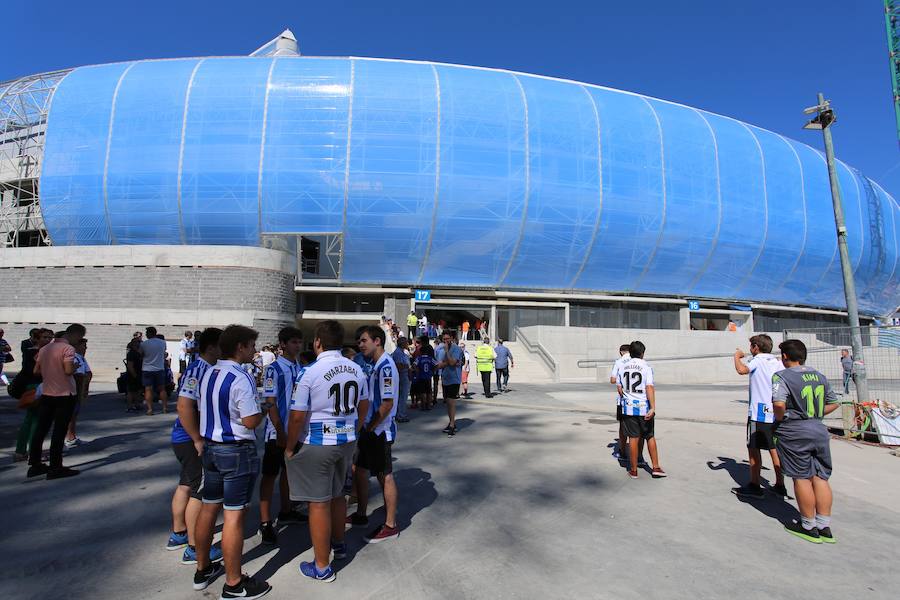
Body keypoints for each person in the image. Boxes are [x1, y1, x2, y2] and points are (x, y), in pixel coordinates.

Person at [285, 320, 369, 582]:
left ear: (318, 342)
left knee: (318, 503)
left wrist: (289, 446)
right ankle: (339, 544)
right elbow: (364, 404)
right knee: (337, 495)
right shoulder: (357, 369)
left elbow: (297, 416)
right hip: (346, 440)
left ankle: (321, 566)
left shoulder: (309, 371)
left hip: (318, 441)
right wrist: (355, 428)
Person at [192, 325, 271, 598]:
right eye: (251, 346)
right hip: (236, 450)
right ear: (240, 347)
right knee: (235, 516)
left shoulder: (207, 372)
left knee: (208, 507)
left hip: (212, 448)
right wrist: (263, 410)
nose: (254, 351)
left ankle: (202, 568)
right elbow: (249, 420)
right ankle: (234, 583)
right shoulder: (241, 376)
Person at [772, 339, 840, 544]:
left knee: (801, 477)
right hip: (818, 429)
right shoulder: (819, 375)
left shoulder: (782, 376)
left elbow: (779, 403)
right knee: (820, 476)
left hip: (795, 430)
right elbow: (834, 403)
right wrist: (815, 414)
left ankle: (807, 525)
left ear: (785, 356)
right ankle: (824, 525)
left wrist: (781, 417)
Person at [169, 327, 224, 565]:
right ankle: (194, 547)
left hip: (185, 439)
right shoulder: (200, 370)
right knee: (198, 494)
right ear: (212, 347)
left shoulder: (201, 368)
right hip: (191, 439)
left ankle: (179, 532)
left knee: (186, 484)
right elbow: (184, 407)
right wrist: (198, 439)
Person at [348, 325, 400, 544]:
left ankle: (390, 525)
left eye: (364, 341)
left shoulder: (386, 366)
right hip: (368, 429)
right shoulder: (373, 363)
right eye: (359, 341)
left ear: (377, 341)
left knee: (384, 475)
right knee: (360, 470)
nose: (360, 345)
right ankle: (361, 514)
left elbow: (387, 404)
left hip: (379, 430)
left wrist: (370, 427)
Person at [258, 327, 306, 546]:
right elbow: (270, 403)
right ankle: (266, 521)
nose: (298, 346)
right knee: (270, 475)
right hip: (278, 433)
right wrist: (279, 431)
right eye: (294, 342)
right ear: (283, 344)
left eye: (299, 342)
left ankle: (286, 510)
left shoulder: (299, 367)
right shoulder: (273, 370)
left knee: (289, 473)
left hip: (295, 432)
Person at [27, 324, 86, 479]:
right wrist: (74, 366)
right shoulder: (68, 349)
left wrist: (51, 371)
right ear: (74, 335)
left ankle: (35, 464)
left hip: (47, 393)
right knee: (59, 431)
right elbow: (68, 371)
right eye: (79, 338)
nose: (78, 342)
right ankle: (55, 467)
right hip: (64, 394)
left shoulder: (45, 348)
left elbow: (36, 371)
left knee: (41, 429)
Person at [731, 335, 786, 498]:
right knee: (773, 448)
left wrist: (736, 357)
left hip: (758, 413)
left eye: (751, 346)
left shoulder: (758, 359)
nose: (749, 349)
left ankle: (755, 485)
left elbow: (742, 370)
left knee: (753, 449)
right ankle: (780, 484)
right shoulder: (777, 362)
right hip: (775, 412)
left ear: (756, 347)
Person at [617, 341, 666, 479]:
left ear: (630, 353)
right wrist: (653, 407)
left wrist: (628, 397)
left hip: (629, 408)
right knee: (649, 435)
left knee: (633, 437)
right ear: (643, 353)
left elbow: (619, 388)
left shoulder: (623, 367)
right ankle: (656, 467)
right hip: (644, 407)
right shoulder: (646, 367)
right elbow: (649, 387)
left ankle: (633, 470)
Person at [14, 328, 53, 461]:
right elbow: (37, 371)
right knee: (37, 419)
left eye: (50, 337)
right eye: (45, 337)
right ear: (37, 338)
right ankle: (33, 452)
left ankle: (20, 451)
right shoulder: (39, 352)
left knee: (30, 419)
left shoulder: (29, 350)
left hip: (31, 385)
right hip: (37, 386)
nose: (48, 340)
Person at [65, 338, 92, 448]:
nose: (85, 348)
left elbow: (87, 373)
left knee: (74, 414)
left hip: (79, 390)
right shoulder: (74, 357)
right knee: (70, 415)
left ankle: (72, 436)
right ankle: (69, 437)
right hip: (73, 390)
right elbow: (77, 375)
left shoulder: (81, 357)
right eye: (83, 345)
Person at [435, 331, 463, 436]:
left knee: (451, 402)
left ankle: (452, 424)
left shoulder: (456, 349)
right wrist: (438, 365)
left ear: (451, 338)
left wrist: (447, 352)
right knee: (447, 402)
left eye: (447, 339)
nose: (445, 341)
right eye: (444, 339)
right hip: (446, 378)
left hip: (454, 378)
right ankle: (451, 422)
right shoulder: (442, 349)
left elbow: (452, 362)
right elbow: (444, 363)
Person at [609, 344, 631, 461]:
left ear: (621, 352)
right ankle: (638, 456)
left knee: (623, 427)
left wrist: (619, 378)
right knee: (637, 430)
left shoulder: (619, 362)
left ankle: (623, 453)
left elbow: (612, 380)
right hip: (640, 401)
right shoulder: (638, 361)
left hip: (623, 400)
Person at [141, 326, 169, 415]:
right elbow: (164, 352)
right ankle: (164, 408)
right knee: (162, 389)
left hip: (147, 369)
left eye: (146, 333)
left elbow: (141, 354)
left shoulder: (144, 344)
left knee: (148, 389)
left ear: (149, 333)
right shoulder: (162, 343)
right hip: (159, 368)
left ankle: (150, 409)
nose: (146, 335)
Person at [410, 336, 435, 410]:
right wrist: (432, 371)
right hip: (428, 375)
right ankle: (429, 405)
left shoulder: (419, 358)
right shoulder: (430, 357)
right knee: (429, 391)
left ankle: (423, 405)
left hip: (421, 375)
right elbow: (436, 364)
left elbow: (414, 365)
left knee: (423, 391)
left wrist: (417, 370)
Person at [391, 337, 411, 424]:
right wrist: (407, 366)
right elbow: (398, 366)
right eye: (406, 342)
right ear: (402, 343)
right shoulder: (398, 353)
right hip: (402, 376)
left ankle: (400, 413)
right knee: (402, 396)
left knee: (402, 396)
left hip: (404, 375)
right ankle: (401, 415)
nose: (407, 344)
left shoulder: (402, 352)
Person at [125, 338, 143, 412]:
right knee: (131, 391)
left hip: (138, 374)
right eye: (137, 342)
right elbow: (130, 366)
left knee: (138, 391)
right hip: (132, 375)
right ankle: (130, 407)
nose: (139, 344)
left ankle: (137, 405)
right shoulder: (131, 353)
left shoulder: (138, 353)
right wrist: (134, 375)